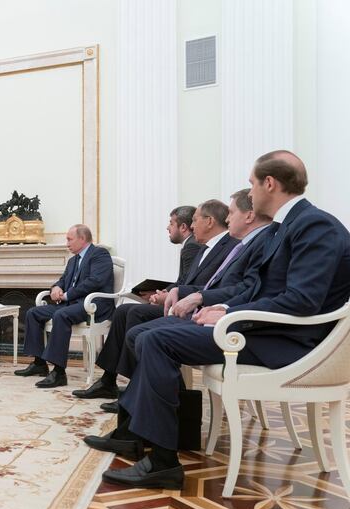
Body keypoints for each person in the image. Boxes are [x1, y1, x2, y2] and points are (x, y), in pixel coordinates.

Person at [88, 150, 350, 490]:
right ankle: (140, 431)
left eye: (252, 184)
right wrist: (220, 308)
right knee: (146, 333)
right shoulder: (290, 227)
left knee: (155, 339)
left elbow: (302, 300)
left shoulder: (313, 225)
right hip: (262, 330)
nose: (250, 193)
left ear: (270, 183)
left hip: (287, 342)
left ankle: (163, 461)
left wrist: (229, 312)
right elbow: (256, 288)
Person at [73, 200, 238, 400]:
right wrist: (165, 293)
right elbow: (185, 282)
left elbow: (208, 286)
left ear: (208, 221)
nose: (192, 227)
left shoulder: (196, 246)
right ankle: (111, 380)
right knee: (124, 311)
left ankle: (135, 384)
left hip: (199, 310)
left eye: (194, 220)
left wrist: (169, 295)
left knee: (133, 312)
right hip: (186, 303)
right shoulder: (202, 247)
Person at [14, 224, 114, 388]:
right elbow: (63, 279)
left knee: (60, 315)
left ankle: (59, 372)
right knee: (33, 313)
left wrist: (67, 294)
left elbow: (95, 281)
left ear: (82, 239)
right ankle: (39, 363)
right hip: (71, 304)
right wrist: (56, 288)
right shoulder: (73, 260)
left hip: (93, 305)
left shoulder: (99, 254)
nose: (66, 243)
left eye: (69, 239)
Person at [168, 205, 202, 285]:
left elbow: (187, 282)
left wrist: (162, 293)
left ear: (183, 227)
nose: (168, 227)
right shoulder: (192, 243)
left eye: (171, 224)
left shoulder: (191, 247)